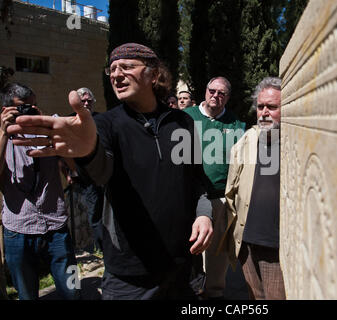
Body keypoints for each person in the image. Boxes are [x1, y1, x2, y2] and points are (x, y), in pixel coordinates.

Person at [7, 43, 213, 300]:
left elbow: (196, 181)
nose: (116, 74)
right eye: (112, 69)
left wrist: (204, 215)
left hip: (182, 267)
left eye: (126, 67)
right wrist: (87, 152)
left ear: (154, 74)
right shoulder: (105, 125)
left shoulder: (183, 122)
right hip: (129, 276)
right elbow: (100, 172)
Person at [0, 82, 80, 300]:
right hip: (17, 229)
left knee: (72, 290)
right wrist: (3, 133)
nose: (29, 112)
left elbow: (74, 167)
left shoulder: (50, 127)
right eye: (22, 108)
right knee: (26, 295)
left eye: (33, 106)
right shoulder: (1, 135)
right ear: (6, 110)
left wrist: (51, 131)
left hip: (56, 227)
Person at [220, 77, 285, 300]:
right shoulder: (248, 139)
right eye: (260, 106)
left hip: (277, 247)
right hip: (246, 243)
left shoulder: (293, 140)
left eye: (272, 107)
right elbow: (231, 188)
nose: (264, 112)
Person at [184, 76, 245, 299]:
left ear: (227, 98)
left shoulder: (235, 123)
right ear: (205, 91)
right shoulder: (186, 117)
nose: (215, 96)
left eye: (221, 93)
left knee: (217, 256)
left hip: (220, 200)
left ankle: (214, 295)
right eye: (212, 90)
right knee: (188, 251)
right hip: (189, 199)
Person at [62, 87, 104, 252]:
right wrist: (69, 172)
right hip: (86, 176)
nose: (86, 103)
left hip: (104, 172)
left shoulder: (101, 119)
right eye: (83, 100)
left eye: (89, 101)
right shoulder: (71, 121)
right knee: (95, 213)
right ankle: (102, 248)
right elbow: (63, 153)